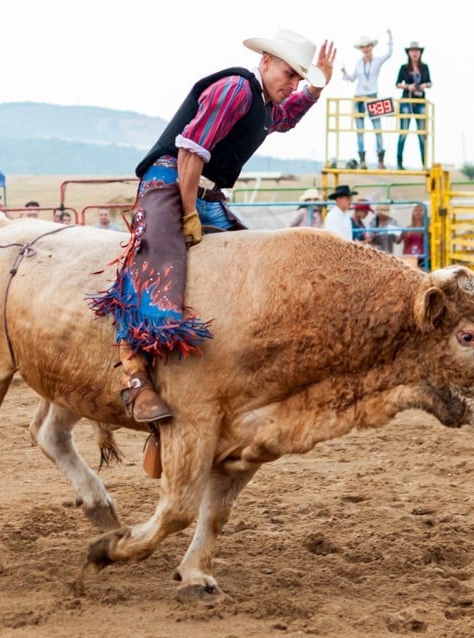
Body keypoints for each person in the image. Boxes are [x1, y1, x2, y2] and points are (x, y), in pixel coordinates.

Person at [89, 29, 335, 423]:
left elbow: (284, 120)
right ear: (267, 61)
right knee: (157, 263)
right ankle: (134, 377)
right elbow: (189, 153)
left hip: (206, 192)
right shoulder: (236, 88)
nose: (293, 85)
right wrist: (188, 214)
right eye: (290, 74)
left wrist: (314, 89)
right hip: (169, 179)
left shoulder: (264, 103)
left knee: (254, 262)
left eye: (298, 79)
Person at [341, 30, 393, 170]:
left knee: (377, 129)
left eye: (367, 46)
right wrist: (345, 74)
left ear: (372, 47)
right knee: (360, 130)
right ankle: (362, 160)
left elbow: (389, 53)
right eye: (363, 47)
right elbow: (352, 79)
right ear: (361, 49)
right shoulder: (358, 63)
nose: (365, 49)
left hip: (372, 97)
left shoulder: (377, 61)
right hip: (359, 97)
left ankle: (380, 160)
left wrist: (390, 37)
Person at [394, 41, 432, 170]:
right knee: (403, 131)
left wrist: (423, 85)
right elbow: (397, 83)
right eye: (412, 50)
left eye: (417, 50)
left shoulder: (424, 67)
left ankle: (424, 163)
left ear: (420, 52)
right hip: (407, 100)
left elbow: (430, 82)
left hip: (420, 101)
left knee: (422, 133)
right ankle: (399, 161)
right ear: (409, 53)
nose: (415, 53)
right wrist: (407, 86)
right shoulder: (404, 68)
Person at [397, 203, 427, 268]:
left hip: (423, 258)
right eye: (416, 210)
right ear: (413, 213)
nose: (418, 212)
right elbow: (404, 245)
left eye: (420, 210)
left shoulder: (428, 227)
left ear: (424, 212)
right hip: (409, 257)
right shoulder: (407, 228)